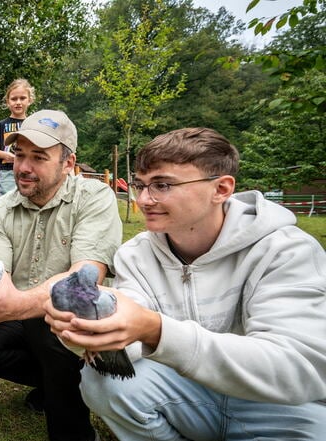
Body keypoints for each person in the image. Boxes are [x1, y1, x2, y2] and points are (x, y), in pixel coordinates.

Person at [45, 127, 326, 440]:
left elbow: (298, 369)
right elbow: (131, 343)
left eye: (162, 185)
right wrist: (90, 328)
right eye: (141, 185)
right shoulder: (135, 254)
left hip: (283, 408)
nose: (144, 199)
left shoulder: (284, 250)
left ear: (221, 188)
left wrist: (157, 330)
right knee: (102, 382)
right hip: (189, 393)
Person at [0, 110, 122, 441]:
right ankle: (50, 380)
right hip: (22, 306)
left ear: (68, 163)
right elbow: (1, 280)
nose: (23, 167)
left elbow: (86, 278)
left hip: (79, 315)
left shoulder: (95, 197)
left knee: (51, 328)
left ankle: (73, 432)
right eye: (20, 154)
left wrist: (14, 305)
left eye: (39, 157)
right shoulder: (1, 209)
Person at [0, 79, 35, 196]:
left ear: (29, 100)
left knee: (27, 201)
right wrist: (6, 155)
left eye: (22, 98)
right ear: (8, 102)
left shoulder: (33, 124)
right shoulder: (1, 125)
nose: (18, 102)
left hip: (29, 169)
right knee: (7, 203)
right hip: (7, 171)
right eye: (14, 99)